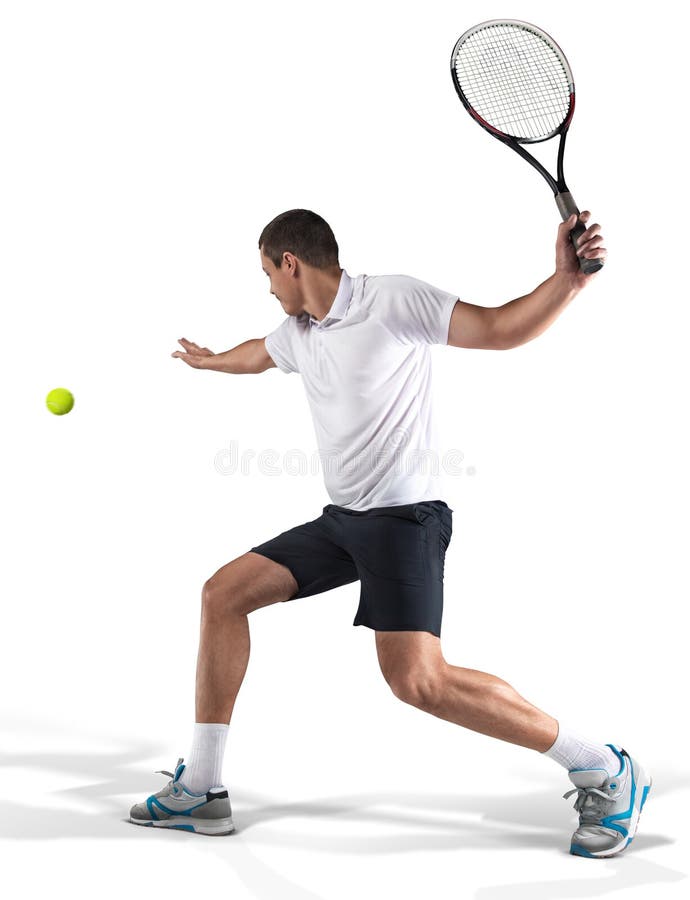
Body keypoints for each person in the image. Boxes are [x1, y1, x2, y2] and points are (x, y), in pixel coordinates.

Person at [129, 208, 651, 857]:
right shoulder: (302, 331)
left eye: (268, 273)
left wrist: (565, 281)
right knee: (223, 593)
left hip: (405, 521)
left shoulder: (392, 300)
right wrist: (210, 363)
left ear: (291, 262)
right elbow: (258, 355)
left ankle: (603, 764)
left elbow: (496, 328)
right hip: (344, 522)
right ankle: (202, 790)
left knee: (419, 683)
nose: (267, 288)